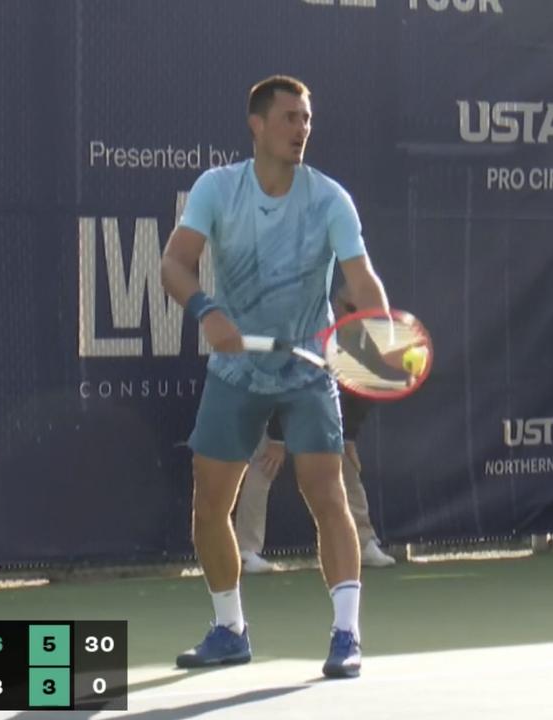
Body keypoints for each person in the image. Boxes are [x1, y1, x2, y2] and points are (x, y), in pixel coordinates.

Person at [160, 74, 392, 679]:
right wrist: (207, 311)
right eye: (290, 118)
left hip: (308, 367)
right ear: (257, 125)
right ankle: (229, 629)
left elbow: (360, 278)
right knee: (210, 506)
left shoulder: (329, 198)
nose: (301, 129)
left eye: (307, 119)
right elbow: (174, 264)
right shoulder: (217, 188)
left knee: (327, 494)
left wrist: (378, 327)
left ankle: (347, 635)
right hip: (235, 369)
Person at [236, 292, 397, 572]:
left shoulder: (368, 345)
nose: (364, 320)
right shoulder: (307, 330)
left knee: (345, 468)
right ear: (340, 307)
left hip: (319, 409)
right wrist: (276, 438)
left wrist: (347, 438)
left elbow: (361, 396)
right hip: (274, 398)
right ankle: (245, 551)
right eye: (356, 310)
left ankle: (364, 543)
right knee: (264, 463)